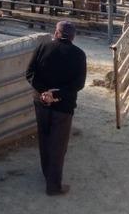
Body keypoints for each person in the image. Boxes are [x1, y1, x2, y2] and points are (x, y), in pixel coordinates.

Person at [25, 21, 86, 196]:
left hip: (41, 101)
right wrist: (56, 94)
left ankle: (47, 174)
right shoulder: (79, 54)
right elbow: (78, 84)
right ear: (73, 37)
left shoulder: (42, 47)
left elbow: (30, 73)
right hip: (63, 106)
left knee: (44, 138)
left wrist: (44, 92)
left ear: (56, 33)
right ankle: (53, 186)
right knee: (58, 145)